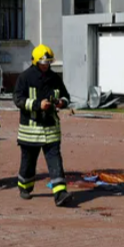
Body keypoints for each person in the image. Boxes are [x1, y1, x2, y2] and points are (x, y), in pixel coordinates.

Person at [14, 44, 72, 207]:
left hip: (51, 129)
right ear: (35, 61)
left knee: (55, 162)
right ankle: (25, 187)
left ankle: (60, 193)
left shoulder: (54, 78)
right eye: (43, 63)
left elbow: (66, 96)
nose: (46, 66)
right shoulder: (25, 77)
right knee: (28, 162)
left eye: (48, 63)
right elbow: (18, 99)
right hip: (30, 131)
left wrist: (61, 103)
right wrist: (37, 105)